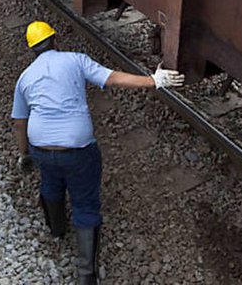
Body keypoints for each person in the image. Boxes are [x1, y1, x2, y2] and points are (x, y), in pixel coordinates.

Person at [11, 20, 185, 284]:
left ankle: (57, 229)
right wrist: (154, 81)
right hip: (79, 149)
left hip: (42, 148)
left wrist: (24, 154)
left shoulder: (25, 77)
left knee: (50, 182)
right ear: (54, 40)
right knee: (85, 204)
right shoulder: (76, 60)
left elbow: (19, 121)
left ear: (31, 49)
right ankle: (86, 276)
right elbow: (112, 78)